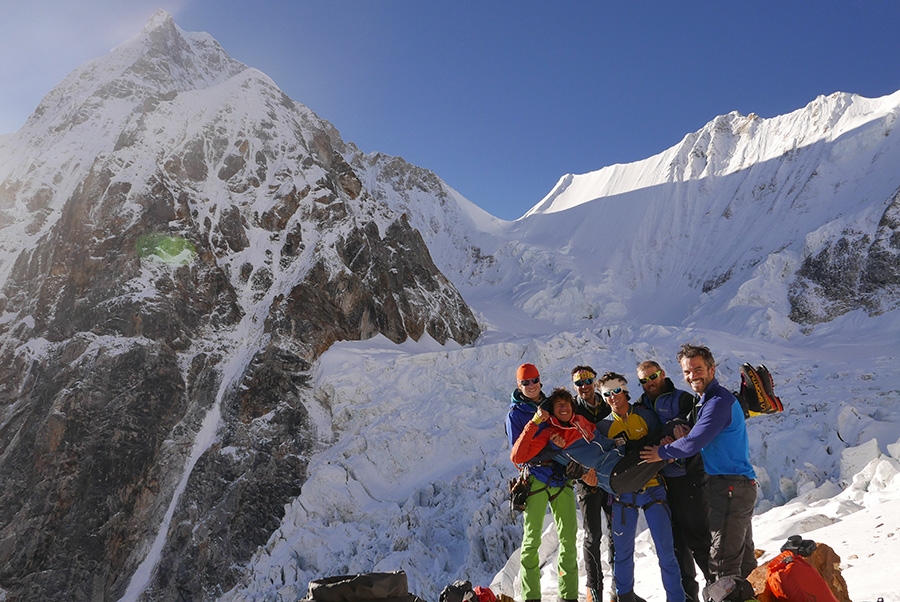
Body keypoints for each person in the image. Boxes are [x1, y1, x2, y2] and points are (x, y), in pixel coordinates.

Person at [640, 345, 758, 583]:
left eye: (698, 369)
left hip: (731, 487)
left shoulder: (717, 403)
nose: (692, 375)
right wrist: (687, 435)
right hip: (732, 485)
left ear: (711, 369)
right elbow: (699, 437)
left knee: (723, 561)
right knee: (743, 560)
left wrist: (660, 453)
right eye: (687, 371)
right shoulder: (708, 400)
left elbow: (693, 444)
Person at [595, 372, 685, 602]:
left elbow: (662, 446)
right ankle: (625, 598)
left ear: (625, 391)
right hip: (623, 496)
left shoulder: (647, 417)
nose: (613, 397)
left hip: (654, 489)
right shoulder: (603, 427)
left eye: (616, 391)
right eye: (607, 394)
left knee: (666, 551)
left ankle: (676, 599)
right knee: (622, 553)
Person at [636, 360, 712, 602]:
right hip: (660, 484)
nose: (650, 383)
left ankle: (720, 590)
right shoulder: (640, 406)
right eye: (644, 380)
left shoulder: (683, 399)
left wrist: (667, 437)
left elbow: (690, 430)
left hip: (688, 477)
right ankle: (689, 597)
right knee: (676, 545)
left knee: (699, 539)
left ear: (663, 374)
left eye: (653, 376)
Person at [506, 364, 578, 602]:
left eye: (534, 380)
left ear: (540, 381)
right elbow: (519, 453)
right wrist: (552, 449)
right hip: (536, 476)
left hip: (559, 476)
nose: (531, 386)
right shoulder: (515, 415)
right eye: (525, 382)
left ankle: (568, 596)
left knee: (568, 538)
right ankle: (531, 597)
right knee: (531, 542)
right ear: (519, 385)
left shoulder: (553, 406)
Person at [570, 366, 614, 602]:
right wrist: (582, 473)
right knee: (592, 535)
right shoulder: (571, 411)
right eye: (579, 383)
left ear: (595, 382)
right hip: (587, 481)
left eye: (587, 381)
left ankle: (619, 588)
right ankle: (594, 592)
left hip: (611, 478)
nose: (584, 386)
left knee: (616, 532)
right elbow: (565, 451)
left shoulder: (610, 404)